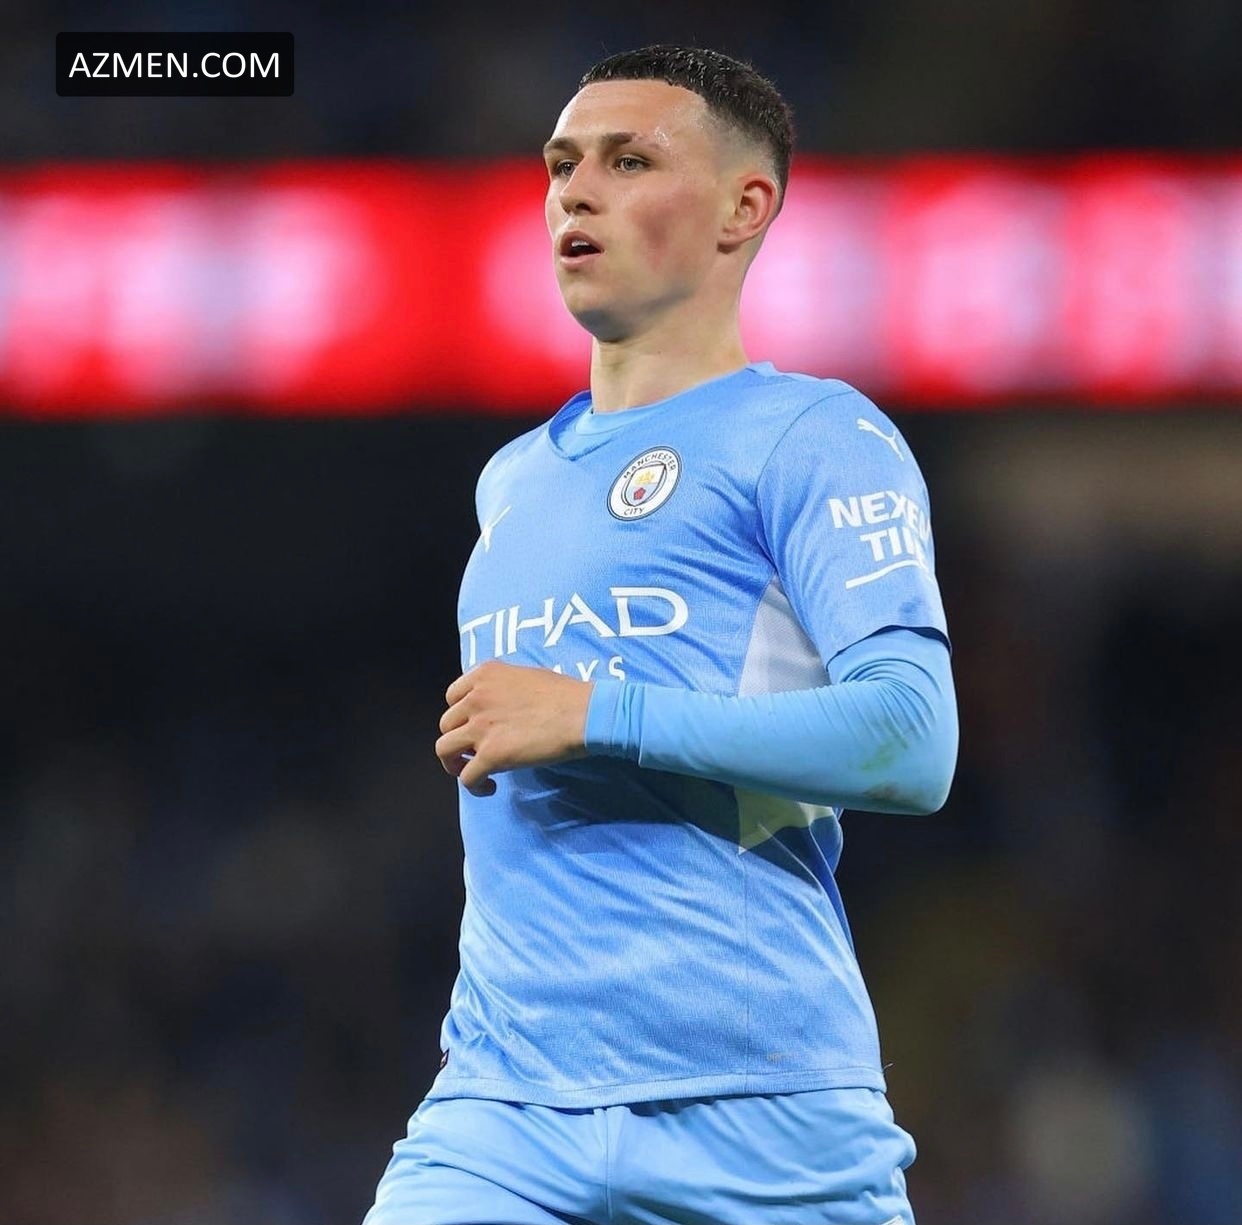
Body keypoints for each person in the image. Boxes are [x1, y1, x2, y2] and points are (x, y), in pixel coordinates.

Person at [364, 44, 958, 1225]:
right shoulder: (512, 480)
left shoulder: (813, 437)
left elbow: (912, 738)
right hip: (502, 1110)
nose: (575, 194)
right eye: (561, 166)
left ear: (746, 207)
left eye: (629, 162)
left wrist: (600, 713)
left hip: (761, 1111)